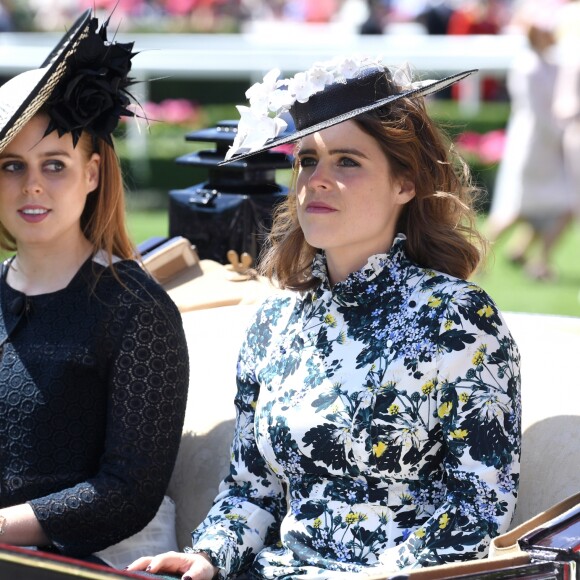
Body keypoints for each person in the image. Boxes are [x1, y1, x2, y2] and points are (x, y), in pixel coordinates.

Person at [128, 57, 521, 579]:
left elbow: (476, 510)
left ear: (405, 183)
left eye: (347, 162)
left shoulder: (459, 321)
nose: (318, 180)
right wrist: (207, 556)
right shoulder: (273, 325)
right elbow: (252, 492)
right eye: (307, 160)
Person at [0, 9, 189, 569]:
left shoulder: (136, 309)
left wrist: (4, 531)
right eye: (11, 165)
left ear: (92, 174)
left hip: (100, 562)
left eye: (54, 164)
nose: (32, 184)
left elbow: (126, 493)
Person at [486, 16, 575, 281]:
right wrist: (563, 133)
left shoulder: (550, 63)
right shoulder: (527, 67)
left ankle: (532, 258)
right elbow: (538, 112)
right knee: (519, 208)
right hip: (533, 145)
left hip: (548, 147)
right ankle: (478, 254)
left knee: (554, 206)